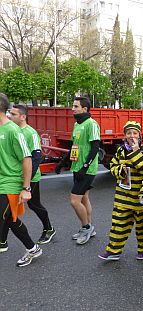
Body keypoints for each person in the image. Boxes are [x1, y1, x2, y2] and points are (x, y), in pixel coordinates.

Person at [1, 105, 56, 248]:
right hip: (15, 177)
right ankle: (2, 240)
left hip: (30, 177)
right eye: (9, 113)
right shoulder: (10, 129)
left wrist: (27, 182)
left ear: (23, 117)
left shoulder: (30, 133)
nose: (10, 116)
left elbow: (36, 157)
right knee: (8, 211)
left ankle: (48, 229)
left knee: (34, 204)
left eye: (13, 114)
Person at [99, 121, 143, 261]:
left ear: (140, 136)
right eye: (129, 133)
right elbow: (112, 166)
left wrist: (136, 152)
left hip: (141, 195)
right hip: (123, 196)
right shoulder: (120, 151)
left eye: (135, 133)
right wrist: (119, 171)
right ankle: (113, 250)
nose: (131, 136)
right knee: (118, 223)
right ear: (124, 136)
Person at [0, 93, 42, 266]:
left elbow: (27, 158)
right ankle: (33, 249)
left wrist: (26, 188)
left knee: (3, 217)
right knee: (11, 219)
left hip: (10, 183)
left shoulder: (13, 130)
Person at [55, 96, 100, 245]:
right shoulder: (77, 124)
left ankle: (86, 227)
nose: (72, 108)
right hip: (76, 167)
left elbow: (95, 148)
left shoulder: (91, 124)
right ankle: (89, 227)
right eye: (73, 106)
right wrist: (62, 162)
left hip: (86, 169)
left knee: (74, 201)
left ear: (84, 109)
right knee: (84, 198)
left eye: (75, 106)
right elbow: (74, 146)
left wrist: (85, 166)